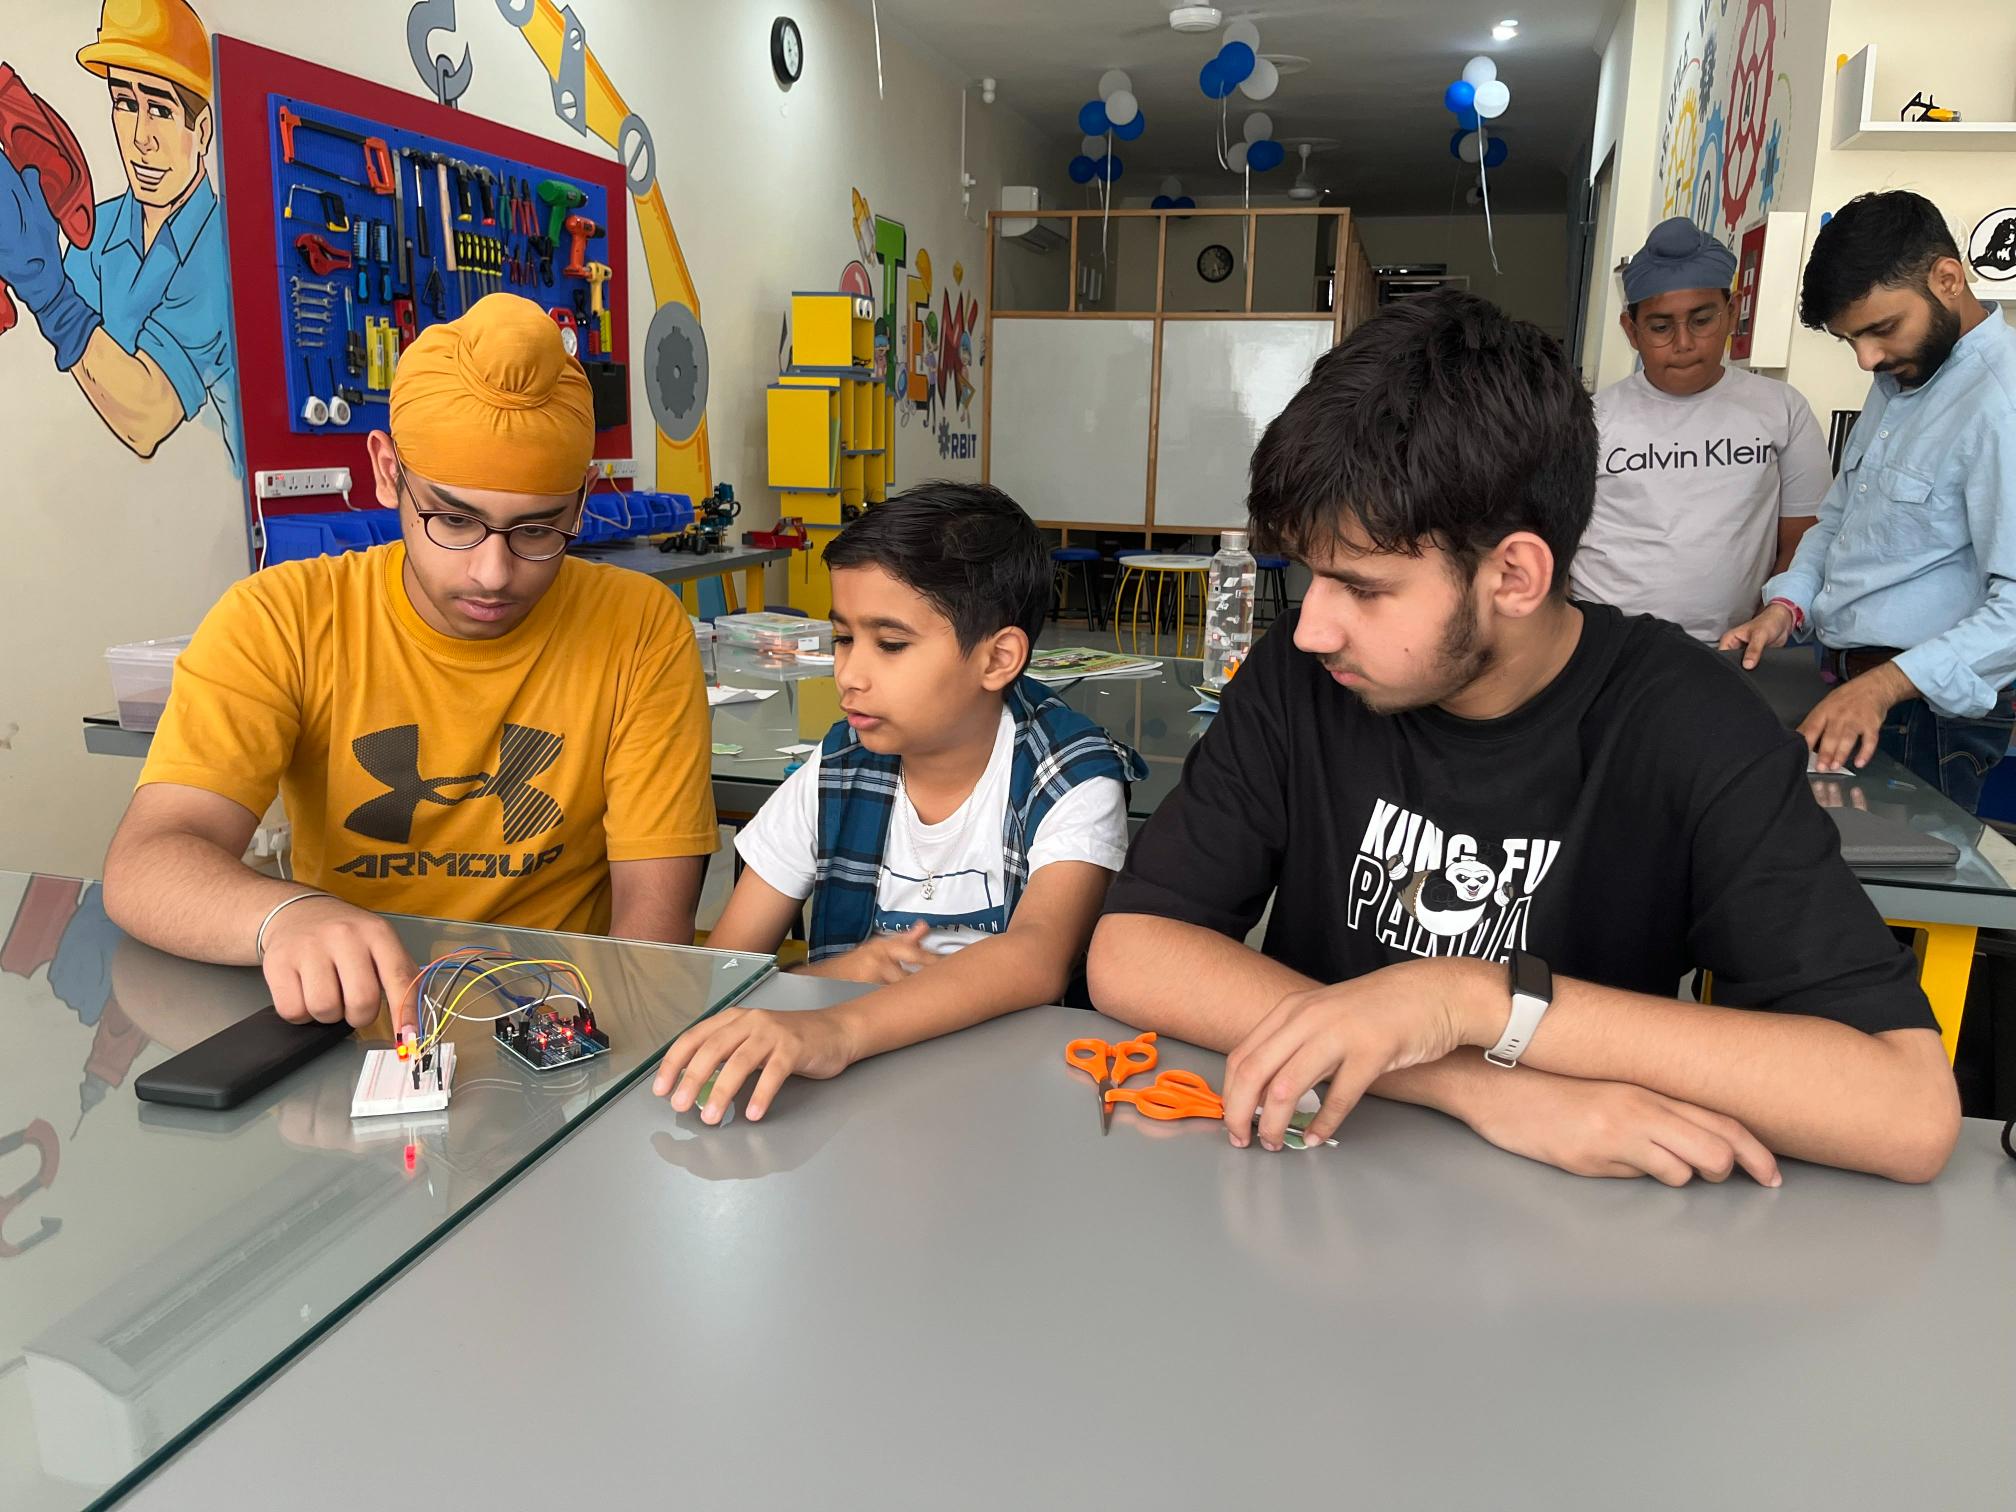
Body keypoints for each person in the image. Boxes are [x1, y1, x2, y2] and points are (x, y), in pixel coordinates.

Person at [1087, 290, 1959, 1185]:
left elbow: (1904, 1110)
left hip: (1581, 1240)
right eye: (1312, 577)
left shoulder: (1690, 724)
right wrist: (1479, 1084)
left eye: (1364, 587)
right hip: (1309, 1181)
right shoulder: (1304, 676)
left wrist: (1473, 998)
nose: (1312, 626)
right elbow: (1135, 946)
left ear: (1514, 574)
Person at [102, 294, 718, 1029]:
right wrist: (285, 915)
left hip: (555, 1028)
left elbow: (652, 927)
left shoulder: (640, 628)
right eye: (454, 520)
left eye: (537, 529)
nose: (493, 572)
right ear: (387, 471)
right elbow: (149, 861)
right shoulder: (279, 619)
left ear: (581, 502)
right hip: (349, 1025)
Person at [652, 484, 1143, 1123]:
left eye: (890, 644)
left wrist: (837, 1027)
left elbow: (1037, 958)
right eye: (842, 639)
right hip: (855, 1114)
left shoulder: (1070, 778)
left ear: (998, 658)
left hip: (1024, 1110)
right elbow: (727, 973)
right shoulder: (837, 769)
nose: (850, 674)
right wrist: (847, 969)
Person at [1724, 191, 2016, 813]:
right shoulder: (1904, 373)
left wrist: (1882, 689)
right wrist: (1786, 606)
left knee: (1891, 898)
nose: (1867, 358)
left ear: (1947, 278)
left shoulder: (2002, 404)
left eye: (1881, 329)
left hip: (1926, 717)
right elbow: (1840, 520)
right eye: (1850, 339)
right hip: (1849, 683)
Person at [0, 0, 239, 466]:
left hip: (220, 522)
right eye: (126, 104)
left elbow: (147, 417)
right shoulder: (100, 231)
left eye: (161, 110)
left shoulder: (220, 250)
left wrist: (46, 291)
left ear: (203, 130)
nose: (141, 138)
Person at [1571, 216, 1830, 641]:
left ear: (1732, 312)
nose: (1684, 342)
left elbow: (1804, 541)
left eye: (1702, 320)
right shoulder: (1587, 420)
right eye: (1660, 327)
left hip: (1733, 651)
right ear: (1631, 331)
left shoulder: (1782, 409)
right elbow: (1555, 546)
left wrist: (1767, 623)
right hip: (1607, 651)